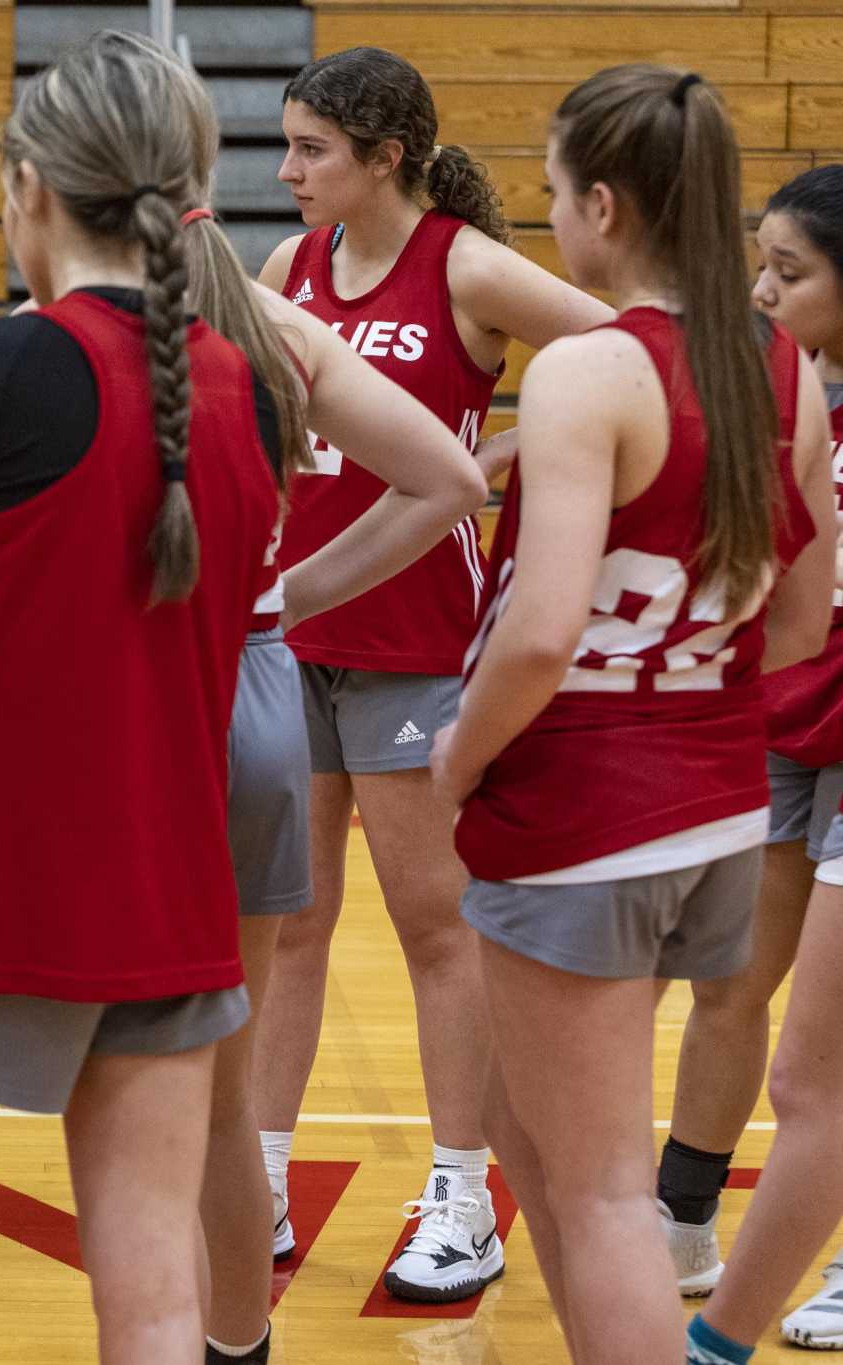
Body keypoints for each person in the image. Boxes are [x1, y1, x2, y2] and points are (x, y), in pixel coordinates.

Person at [0, 33, 481, 1365]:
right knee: (154, 1298)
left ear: (31, 186)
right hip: (177, 872)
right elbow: (427, 484)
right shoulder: (256, 371)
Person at [432, 66, 834, 1364]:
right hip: (716, 814)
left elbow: (541, 632)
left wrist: (459, 751)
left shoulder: (590, 370)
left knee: (597, 1187)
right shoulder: (782, 365)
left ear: (603, 203)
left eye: (551, 194)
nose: (547, 221)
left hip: (584, 821)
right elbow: (795, 624)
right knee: (534, 1141)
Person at [253, 44, 615, 1301]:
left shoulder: (459, 262)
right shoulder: (284, 270)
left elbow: (627, 350)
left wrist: (509, 455)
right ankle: (257, 1180)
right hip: (290, 638)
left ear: (384, 156)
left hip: (419, 648)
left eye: (310, 148)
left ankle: (461, 1194)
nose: (286, 169)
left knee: (434, 931)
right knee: (285, 925)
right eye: (287, 144)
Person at [657, 161, 843, 1304]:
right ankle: (677, 1218)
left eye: (788, 272)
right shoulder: (765, 389)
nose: (759, 293)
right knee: (727, 981)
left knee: (817, 1051)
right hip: (781, 714)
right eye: (755, 267)